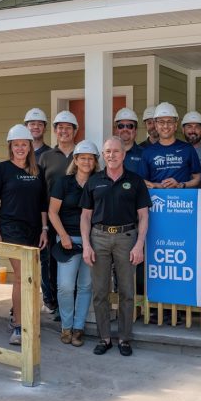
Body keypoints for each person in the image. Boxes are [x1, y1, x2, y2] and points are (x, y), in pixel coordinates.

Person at [81, 137, 151, 357]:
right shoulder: (94, 181)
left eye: (116, 151)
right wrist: (86, 245)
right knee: (100, 291)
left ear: (124, 154)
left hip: (126, 238)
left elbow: (144, 216)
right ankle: (104, 337)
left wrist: (139, 244)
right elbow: (85, 216)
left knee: (126, 292)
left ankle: (124, 338)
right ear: (103, 155)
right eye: (107, 152)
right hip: (99, 237)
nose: (111, 155)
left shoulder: (136, 181)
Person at [0, 125, 49, 346]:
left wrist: (44, 229)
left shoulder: (37, 170)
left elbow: (43, 203)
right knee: (22, 276)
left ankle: (25, 318)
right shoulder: (1, 169)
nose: (20, 148)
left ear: (30, 146)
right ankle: (18, 326)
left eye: (24, 144)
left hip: (33, 229)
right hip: (10, 228)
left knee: (32, 277)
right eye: (16, 145)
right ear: (10, 147)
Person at [48, 140, 99, 347]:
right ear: (75, 160)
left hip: (93, 241)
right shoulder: (63, 182)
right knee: (65, 286)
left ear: (95, 162)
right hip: (67, 240)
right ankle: (66, 327)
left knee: (85, 285)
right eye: (83, 157)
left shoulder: (99, 182)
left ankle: (78, 329)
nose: (87, 161)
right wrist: (64, 236)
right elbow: (52, 212)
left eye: (91, 158)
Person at [37, 110, 80, 317]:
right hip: (52, 217)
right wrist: (43, 223)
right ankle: (54, 303)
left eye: (68, 127)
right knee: (51, 262)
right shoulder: (46, 157)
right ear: (54, 131)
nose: (63, 131)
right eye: (59, 127)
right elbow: (40, 191)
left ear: (75, 131)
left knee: (76, 262)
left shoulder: (80, 155)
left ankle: (72, 304)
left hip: (77, 219)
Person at [142, 102, 201, 189]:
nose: (165, 126)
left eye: (170, 122)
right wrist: (158, 185)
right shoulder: (147, 152)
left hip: (182, 201)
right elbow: (142, 180)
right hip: (157, 201)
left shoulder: (187, 149)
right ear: (156, 125)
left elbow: (198, 178)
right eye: (161, 122)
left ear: (176, 125)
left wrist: (181, 185)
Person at [114, 107, 146, 176]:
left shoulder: (145, 154)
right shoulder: (109, 154)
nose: (125, 129)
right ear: (116, 130)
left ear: (136, 130)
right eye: (121, 126)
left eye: (129, 126)